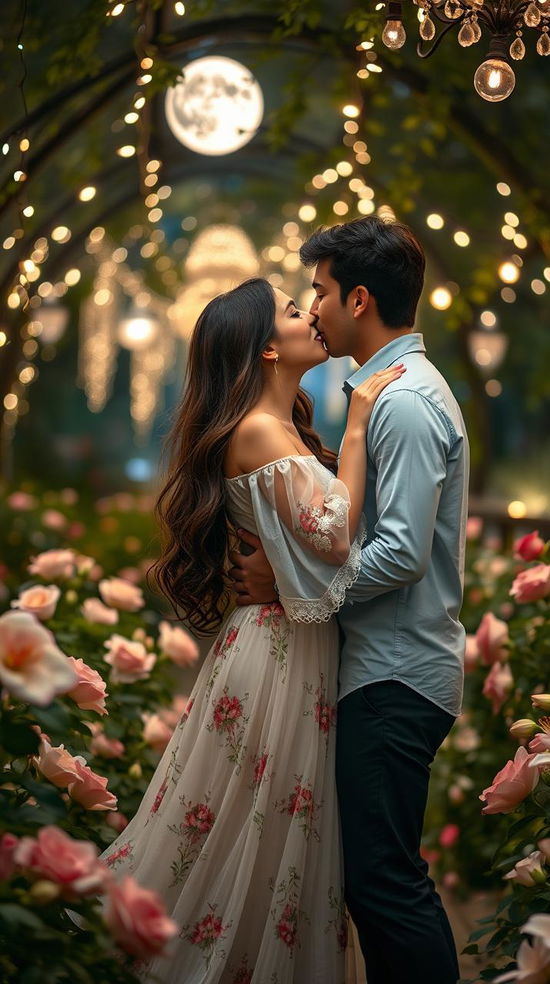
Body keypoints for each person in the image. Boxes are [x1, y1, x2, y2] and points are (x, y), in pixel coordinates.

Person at [98, 276, 405, 984]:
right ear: (268, 347)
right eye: (296, 312)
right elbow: (332, 535)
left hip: (275, 640)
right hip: (276, 655)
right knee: (251, 826)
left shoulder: (275, 425)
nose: (312, 317)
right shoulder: (263, 430)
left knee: (251, 828)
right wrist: (358, 423)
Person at [231, 217, 469, 984]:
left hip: (397, 674)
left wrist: (297, 591)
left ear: (359, 299)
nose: (315, 307)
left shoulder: (400, 402)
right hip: (386, 668)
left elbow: (399, 552)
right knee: (376, 883)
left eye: (321, 292)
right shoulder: (387, 394)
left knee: (385, 888)